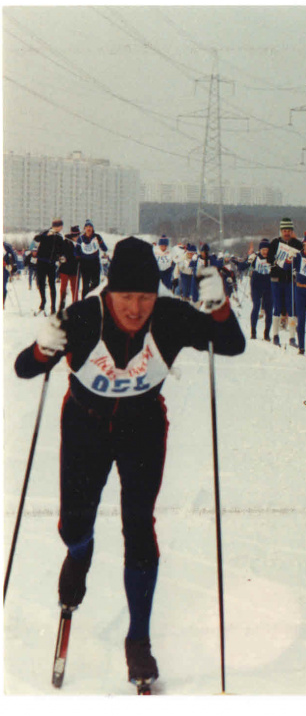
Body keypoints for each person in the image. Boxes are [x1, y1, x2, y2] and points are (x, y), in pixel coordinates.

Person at [13, 237, 245, 687]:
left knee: (139, 525)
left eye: (145, 297)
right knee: (73, 527)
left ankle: (138, 640)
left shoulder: (172, 317)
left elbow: (231, 344)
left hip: (142, 429)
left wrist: (218, 307)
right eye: (126, 297)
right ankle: (79, 553)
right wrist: (43, 347)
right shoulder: (80, 318)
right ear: (109, 292)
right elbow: (25, 368)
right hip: (85, 426)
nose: (136, 308)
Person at [267, 218, 300, 348]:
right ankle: (275, 335)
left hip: (290, 280)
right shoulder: (275, 243)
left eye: (289, 231)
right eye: (284, 230)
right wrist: (277, 264)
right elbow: (269, 259)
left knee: (291, 307)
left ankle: (292, 337)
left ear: (292, 231)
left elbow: (301, 259)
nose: (287, 233)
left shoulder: (297, 244)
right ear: (281, 231)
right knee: (277, 306)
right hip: (277, 279)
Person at [33, 217, 65, 314]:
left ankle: (53, 307)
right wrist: (45, 235)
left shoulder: (59, 237)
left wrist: (61, 256)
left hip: (51, 263)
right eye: (58, 227)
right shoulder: (46, 232)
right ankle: (43, 302)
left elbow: (61, 249)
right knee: (41, 284)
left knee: (52, 285)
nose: (59, 228)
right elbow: (36, 238)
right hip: (41, 261)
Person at [247, 239, 274, 340]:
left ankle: (267, 333)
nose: (265, 252)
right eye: (263, 250)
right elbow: (244, 265)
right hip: (256, 285)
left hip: (268, 285)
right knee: (256, 306)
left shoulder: (272, 258)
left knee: (269, 310)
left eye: (267, 249)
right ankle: (253, 331)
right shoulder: (255, 258)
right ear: (260, 250)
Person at [76, 221, 108, 298]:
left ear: (93, 228)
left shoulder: (97, 237)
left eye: (90, 227)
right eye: (87, 227)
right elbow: (76, 250)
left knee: (96, 284)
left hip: (95, 262)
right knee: (85, 285)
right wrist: (77, 257)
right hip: (85, 263)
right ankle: (84, 301)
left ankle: (93, 300)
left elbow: (104, 248)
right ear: (84, 228)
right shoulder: (81, 238)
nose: (89, 228)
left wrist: (100, 242)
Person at [58, 225, 82, 310]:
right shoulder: (65, 242)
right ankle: (62, 303)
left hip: (75, 268)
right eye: (75, 236)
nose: (76, 237)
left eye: (77, 236)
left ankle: (75, 304)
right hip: (65, 268)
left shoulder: (80, 243)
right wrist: (62, 257)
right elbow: (60, 253)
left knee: (75, 288)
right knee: (63, 287)